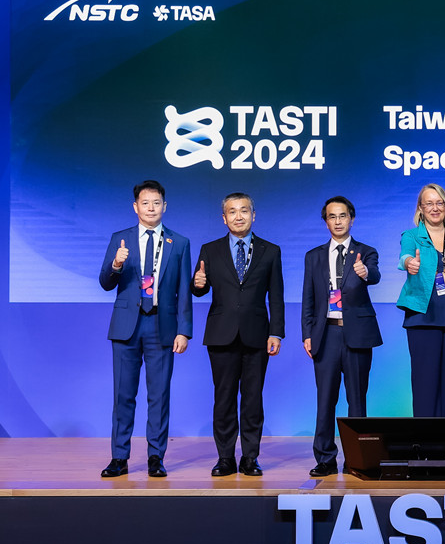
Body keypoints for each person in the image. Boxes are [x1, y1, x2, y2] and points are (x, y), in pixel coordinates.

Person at [98, 180, 192, 478]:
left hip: (162, 326)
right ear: (135, 207)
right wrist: (116, 264)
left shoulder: (179, 243)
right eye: (145, 203)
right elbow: (105, 282)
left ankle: (155, 457)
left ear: (165, 206)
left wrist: (184, 330)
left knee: (159, 395)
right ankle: (119, 457)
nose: (151, 208)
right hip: (126, 326)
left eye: (156, 203)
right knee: (123, 395)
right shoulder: (120, 239)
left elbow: (184, 291)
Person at [192, 192, 284, 477]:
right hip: (221, 334)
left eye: (244, 210)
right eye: (232, 211)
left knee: (253, 399)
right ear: (224, 218)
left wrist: (276, 332)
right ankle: (225, 458)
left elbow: (276, 296)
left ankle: (250, 458)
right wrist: (197, 284)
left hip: (257, 334)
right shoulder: (210, 250)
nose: (238, 216)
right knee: (224, 399)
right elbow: (199, 289)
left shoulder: (271, 250)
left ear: (253, 215)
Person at [301, 196, 383, 477]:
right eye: (332, 217)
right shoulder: (313, 256)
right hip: (325, 334)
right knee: (325, 400)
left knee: (357, 400)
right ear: (326, 221)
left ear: (352, 218)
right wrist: (307, 333)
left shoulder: (366, 252)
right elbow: (308, 298)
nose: (338, 221)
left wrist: (365, 272)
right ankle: (325, 458)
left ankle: (357, 459)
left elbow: (375, 275)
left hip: (357, 334)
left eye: (343, 216)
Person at [397, 183, 445, 417]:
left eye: (439, 202)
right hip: (423, 319)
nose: (435, 208)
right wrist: (409, 263)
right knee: (425, 386)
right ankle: (424, 439)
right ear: (420, 208)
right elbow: (405, 256)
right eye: (429, 203)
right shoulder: (411, 236)